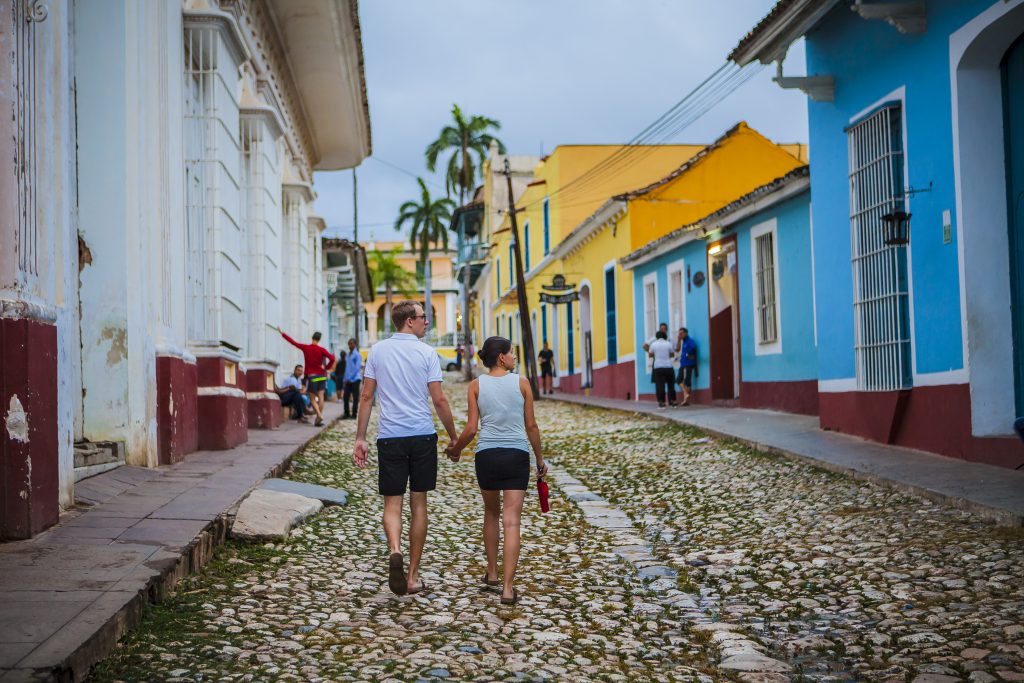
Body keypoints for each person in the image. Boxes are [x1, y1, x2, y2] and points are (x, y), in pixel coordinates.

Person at [353, 301, 458, 596]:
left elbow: (366, 397)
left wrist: (360, 438)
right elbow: (439, 400)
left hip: (390, 437)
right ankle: (412, 575)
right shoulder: (427, 353)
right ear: (409, 321)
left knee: (392, 504)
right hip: (422, 435)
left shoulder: (377, 351)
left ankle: (395, 549)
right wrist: (453, 436)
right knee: (419, 504)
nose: (427, 321)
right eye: (424, 317)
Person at [447, 336, 547, 605]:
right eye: (512, 353)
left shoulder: (476, 386)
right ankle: (507, 588)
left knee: (490, 513)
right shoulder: (522, 383)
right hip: (516, 455)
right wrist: (539, 460)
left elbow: (471, 429)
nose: (514, 357)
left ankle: (491, 573)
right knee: (512, 521)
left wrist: (455, 449)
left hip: (487, 456)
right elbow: (532, 427)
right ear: (501, 357)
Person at [279, 327, 336, 426]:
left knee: (313, 399)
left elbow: (293, 342)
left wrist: (282, 333)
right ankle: (319, 419)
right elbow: (332, 358)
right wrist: (325, 367)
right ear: (319, 339)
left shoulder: (306, 348)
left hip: (313, 377)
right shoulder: (321, 349)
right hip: (322, 376)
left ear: (312, 338)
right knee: (321, 397)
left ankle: (319, 415)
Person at [648, 330, 676, 408]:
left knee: (660, 385)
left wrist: (656, 354)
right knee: (671, 384)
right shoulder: (668, 344)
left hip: (658, 367)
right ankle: (673, 401)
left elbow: (650, 355)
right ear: (665, 336)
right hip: (668, 366)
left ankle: (662, 402)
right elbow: (672, 354)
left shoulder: (653, 344)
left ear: (657, 337)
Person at [675, 327, 698, 406]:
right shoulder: (683, 341)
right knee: (678, 380)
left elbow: (693, 347)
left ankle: (686, 400)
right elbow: (677, 349)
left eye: (681, 333)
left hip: (688, 364)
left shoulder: (689, 341)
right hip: (683, 364)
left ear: (686, 333)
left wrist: (688, 355)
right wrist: (678, 340)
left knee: (687, 381)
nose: (680, 335)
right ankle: (686, 394)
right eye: (679, 333)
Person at [342, 338, 362, 420]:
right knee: (345, 397)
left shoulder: (357, 355)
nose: (350, 345)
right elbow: (347, 368)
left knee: (355, 398)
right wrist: (344, 379)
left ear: (355, 345)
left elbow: (357, 368)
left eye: (352, 344)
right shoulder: (348, 355)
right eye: (349, 344)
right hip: (347, 380)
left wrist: (349, 378)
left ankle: (354, 415)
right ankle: (346, 414)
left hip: (355, 379)